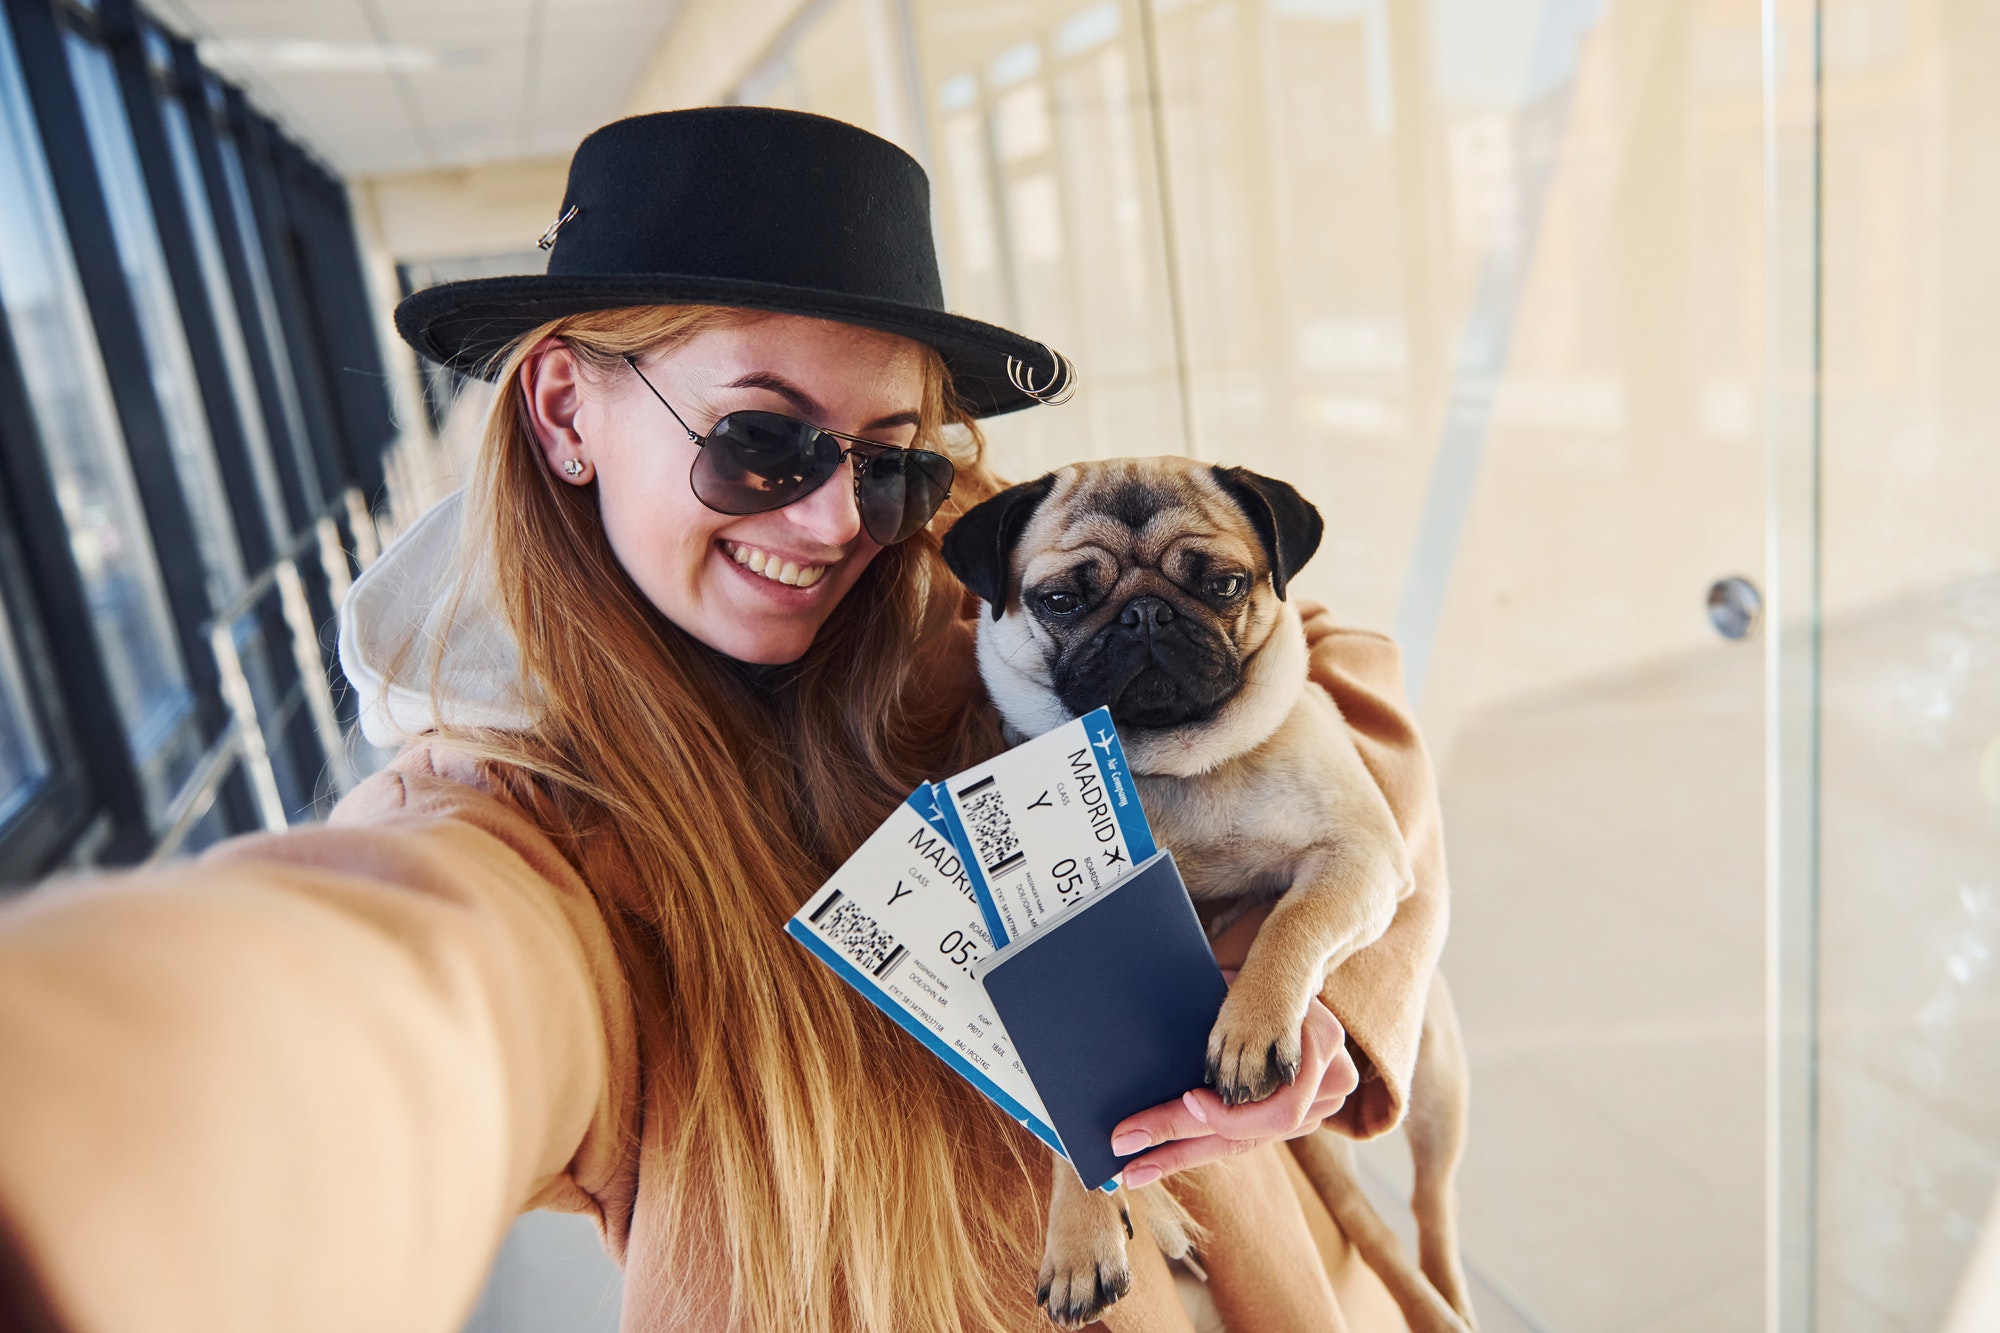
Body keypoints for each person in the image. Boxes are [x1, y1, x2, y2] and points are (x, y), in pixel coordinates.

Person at [0, 108, 1448, 1333]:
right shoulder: (530, 826)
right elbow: (422, 978)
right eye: (763, 440)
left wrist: (1303, 981)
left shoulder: (963, 605)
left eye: (888, 462)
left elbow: (1328, 671)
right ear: (566, 409)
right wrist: (98, 1138)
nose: (831, 521)